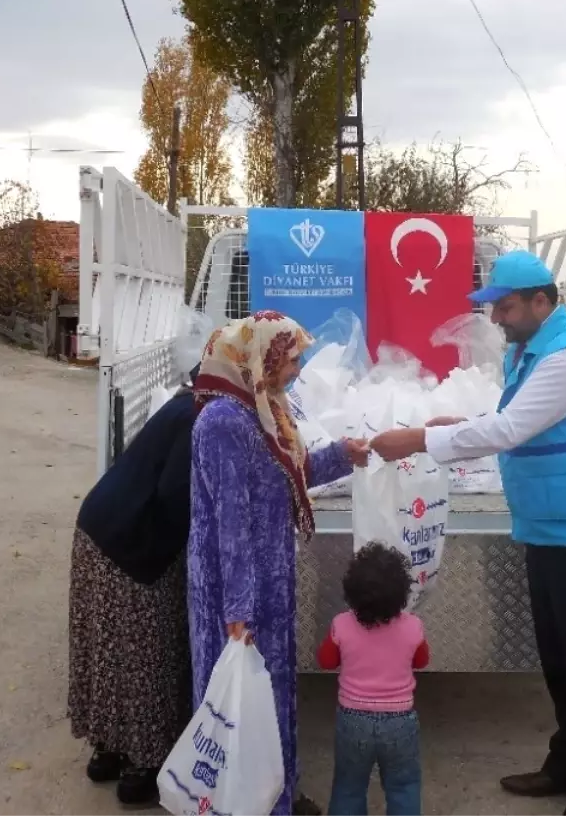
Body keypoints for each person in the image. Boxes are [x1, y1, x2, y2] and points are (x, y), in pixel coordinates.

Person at [369, 250, 566, 816]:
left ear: (543, 301)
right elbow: (517, 419)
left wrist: (420, 439)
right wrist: (460, 427)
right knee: (560, 663)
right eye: (494, 307)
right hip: (553, 526)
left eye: (507, 307)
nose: (496, 318)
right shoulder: (531, 349)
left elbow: (514, 427)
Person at [189, 311, 370, 816]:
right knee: (241, 708)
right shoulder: (223, 422)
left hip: (268, 578)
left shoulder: (262, 408)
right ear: (258, 358)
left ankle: (277, 797)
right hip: (234, 591)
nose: (297, 369)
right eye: (290, 359)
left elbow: (286, 475)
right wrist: (239, 612)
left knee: (270, 699)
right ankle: (243, 805)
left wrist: (342, 455)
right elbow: (230, 524)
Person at [67, 366, 200, 806]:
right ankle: (142, 771)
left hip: (98, 528)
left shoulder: (183, 402)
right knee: (147, 654)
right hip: (132, 542)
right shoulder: (202, 415)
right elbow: (174, 493)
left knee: (107, 649)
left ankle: (107, 751)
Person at [317, 541, 429, 816]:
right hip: (400, 721)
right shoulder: (413, 626)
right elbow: (422, 661)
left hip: (353, 719)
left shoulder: (341, 624)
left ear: (351, 590)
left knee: (348, 786)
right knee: (404, 785)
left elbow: (326, 661)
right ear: (402, 591)